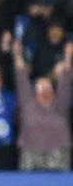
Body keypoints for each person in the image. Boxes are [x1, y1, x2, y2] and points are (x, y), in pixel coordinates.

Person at [13, 40, 72, 170]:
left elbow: (65, 82)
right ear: (34, 92)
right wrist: (17, 53)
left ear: (54, 91)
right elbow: (21, 76)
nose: (45, 92)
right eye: (40, 89)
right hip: (31, 153)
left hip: (59, 153)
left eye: (48, 89)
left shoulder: (60, 104)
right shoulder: (28, 103)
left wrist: (68, 56)